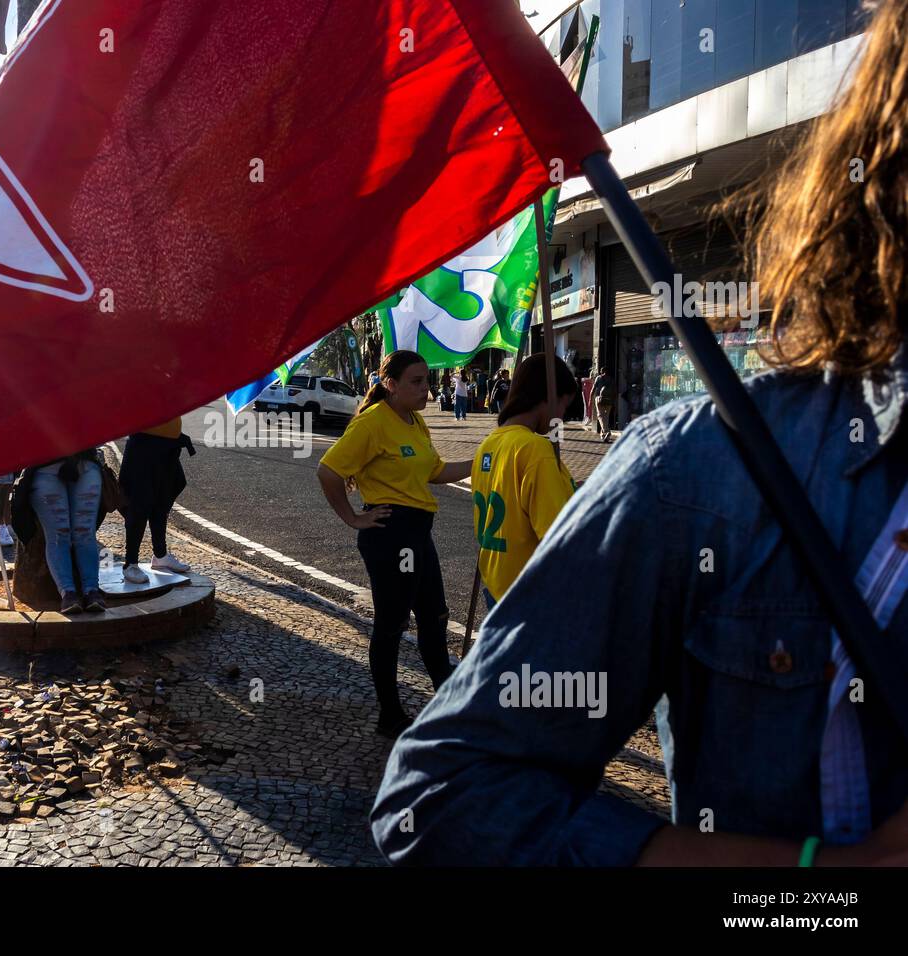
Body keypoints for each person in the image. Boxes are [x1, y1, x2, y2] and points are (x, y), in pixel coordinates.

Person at [372, 0, 908, 866]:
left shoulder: (512, 449)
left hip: (508, 593)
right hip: (496, 594)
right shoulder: (646, 466)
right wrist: (825, 886)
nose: (427, 387)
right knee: (414, 630)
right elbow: (446, 795)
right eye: (422, 381)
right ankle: (403, 702)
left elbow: (472, 490)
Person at [317, 350, 474, 738]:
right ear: (391, 385)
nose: (426, 389)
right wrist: (353, 518)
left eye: (427, 380)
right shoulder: (372, 423)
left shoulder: (416, 420)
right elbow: (328, 470)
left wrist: (484, 459)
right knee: (392, 624)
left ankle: (448, 708)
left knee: (435, 618)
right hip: (391, 535)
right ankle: (390, 714)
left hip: (419, 532)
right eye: (416, 382)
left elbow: (436, 471)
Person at [470, 354, 577, 608]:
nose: (561, 418)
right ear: (548, 397)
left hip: (499, 587)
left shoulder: (489, 443)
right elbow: (558, 536)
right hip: (533, 596)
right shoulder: (535, 449)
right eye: (563, 406)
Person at [119, 416, 195, 584]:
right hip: (144, 447)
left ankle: (160, 555)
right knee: (139, 504)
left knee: (162, 501)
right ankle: (131, 563)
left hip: (167, 447)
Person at [30, 449, 106, 614]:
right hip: (46, 466)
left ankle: (90, 590)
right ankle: (69, 592)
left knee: (83, 533)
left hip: (84, 464)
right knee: (59, 535)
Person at [592, 366, 616, 442]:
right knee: (606, 417)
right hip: (609, 400)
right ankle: (604, 435)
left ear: (601, 371)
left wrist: (590, 398)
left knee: (600, 416)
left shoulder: (598, 378)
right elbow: (615, 390)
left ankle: (606, 431)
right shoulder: (612, 379)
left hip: (600, 399)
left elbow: (593, 389)